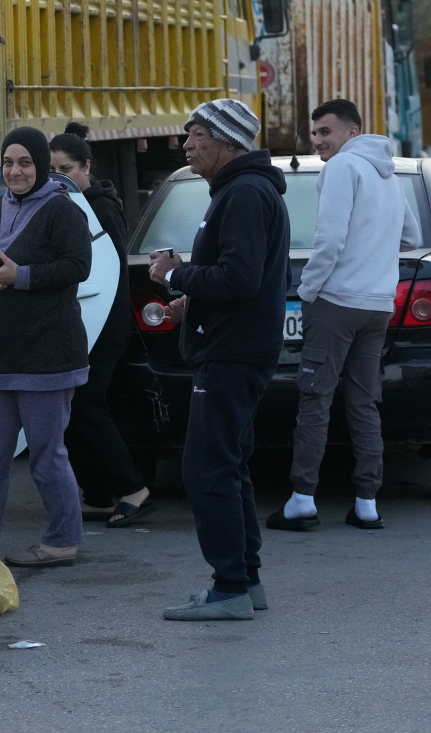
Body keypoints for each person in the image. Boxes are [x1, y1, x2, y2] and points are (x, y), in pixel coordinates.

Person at [148, 99, 290, 620]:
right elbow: (243, 281)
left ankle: (229, 588)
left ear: (228, 140)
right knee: (229, 466)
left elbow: (241, 278)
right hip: (231, 347)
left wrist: (174, 277)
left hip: (232, 355)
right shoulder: (238, 191)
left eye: (197, 133)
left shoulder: (246, 193)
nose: (186, 143)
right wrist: (195, 301)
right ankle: (246, 583)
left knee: (207, 470)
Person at [267, 99, 421, 532]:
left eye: (325, 132)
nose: (318, 141)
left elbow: (329, 239)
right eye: (314, 133)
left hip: (336, 301)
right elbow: (410, 236)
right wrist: (374, 257)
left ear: (351, 133)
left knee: (315, 397)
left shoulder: (341, 169)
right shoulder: (386, 173)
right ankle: (367, 502)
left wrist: (310, 290)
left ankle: (302, 501)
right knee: (365, 401)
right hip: (377, 304)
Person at [0, 127, 93, 568]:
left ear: (39, 166)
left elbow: (78, 266)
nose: (15, 171)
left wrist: (19, 276)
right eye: (8, 162)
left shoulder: (63, 210)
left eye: (24, 163)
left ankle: (63, 540)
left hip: (48, 354)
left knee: (45, 453)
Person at [49, 122, 153, 527]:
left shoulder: (100, 207)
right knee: (73, 409)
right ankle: (96, 493)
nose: (60, 178)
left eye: (67, 169)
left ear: (86, 166)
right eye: (53, 171)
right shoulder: (73, 204)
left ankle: (133, 488)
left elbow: (101, 274)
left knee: (86, 405)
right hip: (81, 323)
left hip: (104, 324)